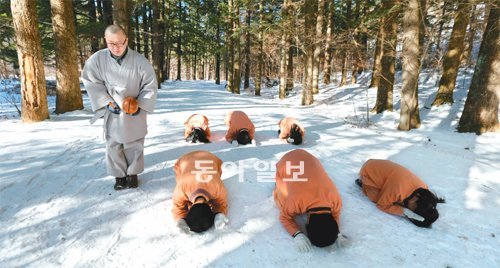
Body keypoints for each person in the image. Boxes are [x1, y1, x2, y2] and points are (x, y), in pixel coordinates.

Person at [82, 25, 158, 191]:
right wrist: (105, 101)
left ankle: (132, 174)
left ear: (126, 41)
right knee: (113, 143)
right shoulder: (97, 60)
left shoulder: (140, 61)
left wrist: (140, 105)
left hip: (134, 108)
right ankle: (119, 176)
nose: (116, 47)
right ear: (105, 41)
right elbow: (92, 82)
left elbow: (150, 86)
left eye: (119, 43)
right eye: (111, 43)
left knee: (134, 142)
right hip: (112, 107)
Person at [273, 149, 345, 252]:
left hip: (310, 159)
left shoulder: (336, 201)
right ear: (307, 222)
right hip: (286, 161)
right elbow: (284, 217)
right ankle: (278, 183)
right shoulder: (296, 201)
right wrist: (297, 234)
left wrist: (335, 232)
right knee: (281, 204)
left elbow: (336, 214)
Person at [356, 159, 445, 228]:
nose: (410, 210)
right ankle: (363, 183)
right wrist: (404, 211)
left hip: (383, 167)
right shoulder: (397, 191)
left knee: (389, 197)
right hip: (369, 169)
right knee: (377, 198)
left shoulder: (424, 189)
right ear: (417, 198)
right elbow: (381, 205)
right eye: (413, 209)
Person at [172, 150, 229, 233]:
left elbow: (221, 204)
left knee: (215, 174)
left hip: (211, 158)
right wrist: (181, 219)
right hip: (188, 159)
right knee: (180, 178)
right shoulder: (181, 188)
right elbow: (177, 206)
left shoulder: (218, 187)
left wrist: (180, 218)